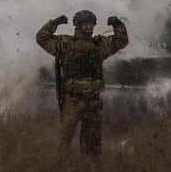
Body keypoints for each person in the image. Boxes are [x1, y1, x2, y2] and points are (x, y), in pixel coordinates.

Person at [35, 10, 128, 156]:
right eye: (85, 24)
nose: (89, 27)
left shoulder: (99, 44)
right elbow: (41, 38)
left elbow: (121, 41)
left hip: (93, 100)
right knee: (65, 138)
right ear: (78, 25)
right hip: (73, 99)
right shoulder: (65, 44)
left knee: (92, 142)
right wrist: (55, 23)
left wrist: (118, 24)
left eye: (91, 24)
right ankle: (62, 170)